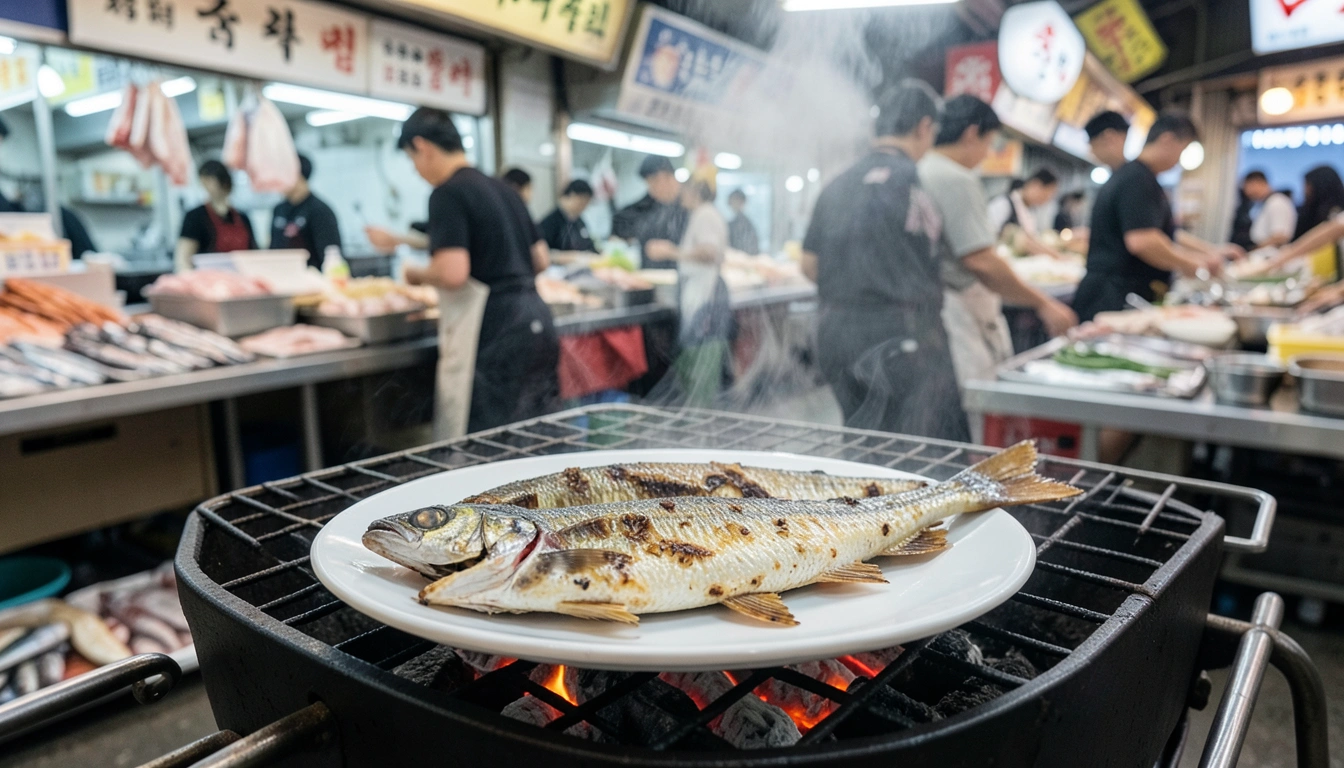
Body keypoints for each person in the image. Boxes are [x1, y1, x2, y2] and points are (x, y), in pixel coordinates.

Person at [801, 79, 969, 441]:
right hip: (905, 336)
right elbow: (974, 258)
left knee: (861, 437)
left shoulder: (835, 186)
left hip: (836, 335)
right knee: (919, 448)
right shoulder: (924, 181)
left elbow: (808, 265)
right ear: (925, 127)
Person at [379, 108, 558, 436]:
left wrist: (415, 275)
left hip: (495, 329)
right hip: (536, 320)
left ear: (423, 146)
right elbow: (541, 260)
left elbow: (452, 273)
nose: (416, 171)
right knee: (535, 436)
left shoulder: (446, 193)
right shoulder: (504, 189)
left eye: (411, 159)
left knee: (492, 445)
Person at [918, 94, 1078, 386]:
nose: (987, 153)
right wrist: (1043, 303)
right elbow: (981, 261)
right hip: (955, 316)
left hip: (922, 321)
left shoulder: (917, 168)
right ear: (971, 134)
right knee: (973, 410)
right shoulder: (956, 179)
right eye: (989, 142)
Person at [1072, 113, 1224, 322]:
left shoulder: (1140, 177)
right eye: (1183, 151)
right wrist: (1192, 264)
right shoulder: (1137, 178)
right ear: (1167, 140)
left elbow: (1161, 234)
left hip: (1116, 294)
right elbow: (1143, 242)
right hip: (1114, 298)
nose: (1180, 161)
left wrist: (1208, 252)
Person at [653, 165, 735, 406]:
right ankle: (700, 412)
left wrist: (671, 251)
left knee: (701, 361)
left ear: (694, 192)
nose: (681, 195)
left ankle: (701, 417)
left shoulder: (705, 214)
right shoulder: (704, 214)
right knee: (698, 358)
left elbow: (709, 252)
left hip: (706, 298)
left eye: (685, 190)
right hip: (702, 295)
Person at [1249, 166, 1344, 279]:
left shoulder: (1277, 202)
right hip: (1317, 271)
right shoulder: (1315, 210)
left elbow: (1333, 230)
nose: (1305, 189)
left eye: (1307, 185)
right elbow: (1331, 229)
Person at [176, 160, 257, 270]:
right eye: (206, 180)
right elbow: (183, 258)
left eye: (212, 180)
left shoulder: (243, 218)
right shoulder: (195, 217)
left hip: (241, 281)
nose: (209, 184)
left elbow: (254, 255)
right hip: (207, 281)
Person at [611, 155, 688, 263]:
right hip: (654, 275)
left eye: (653, 183)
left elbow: (707, 252)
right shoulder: (657, 206)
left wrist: (673, 252)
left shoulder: (691, 208)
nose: (651, 191)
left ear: (665, 176)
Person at [270, 155, 342, 269]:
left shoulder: (320, 210)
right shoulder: (278, 210)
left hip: (313, 279)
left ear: (298, 176)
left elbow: (331, 255)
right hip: (282, 278)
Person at [988, 168, 1064, 258]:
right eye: (1047, 194)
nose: (1046, 200)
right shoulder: (1003, 204)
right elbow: (988, 237)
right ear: (1036, 185)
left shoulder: (1031, 211)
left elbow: (1032, 239)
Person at [1239, 171, 1297, 249]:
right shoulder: (1266, 203)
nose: (1246, 192)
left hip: (1271, 254)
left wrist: (1254, 249)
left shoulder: (1277, 202)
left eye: (1247, 186)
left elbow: (1280, 237)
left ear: (1257, 183)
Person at [538, 179, 598, 252]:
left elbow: (590, 245)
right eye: (582, 202)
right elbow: (543, 252)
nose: (584, 207)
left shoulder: (579, 222)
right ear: (571, 195)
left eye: (587, 203)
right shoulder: (549, 223)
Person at [726, 188, 761, 254]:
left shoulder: (746, 224)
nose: (734, 203)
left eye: (737, 200)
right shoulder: (733, 223)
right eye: (733, 200)